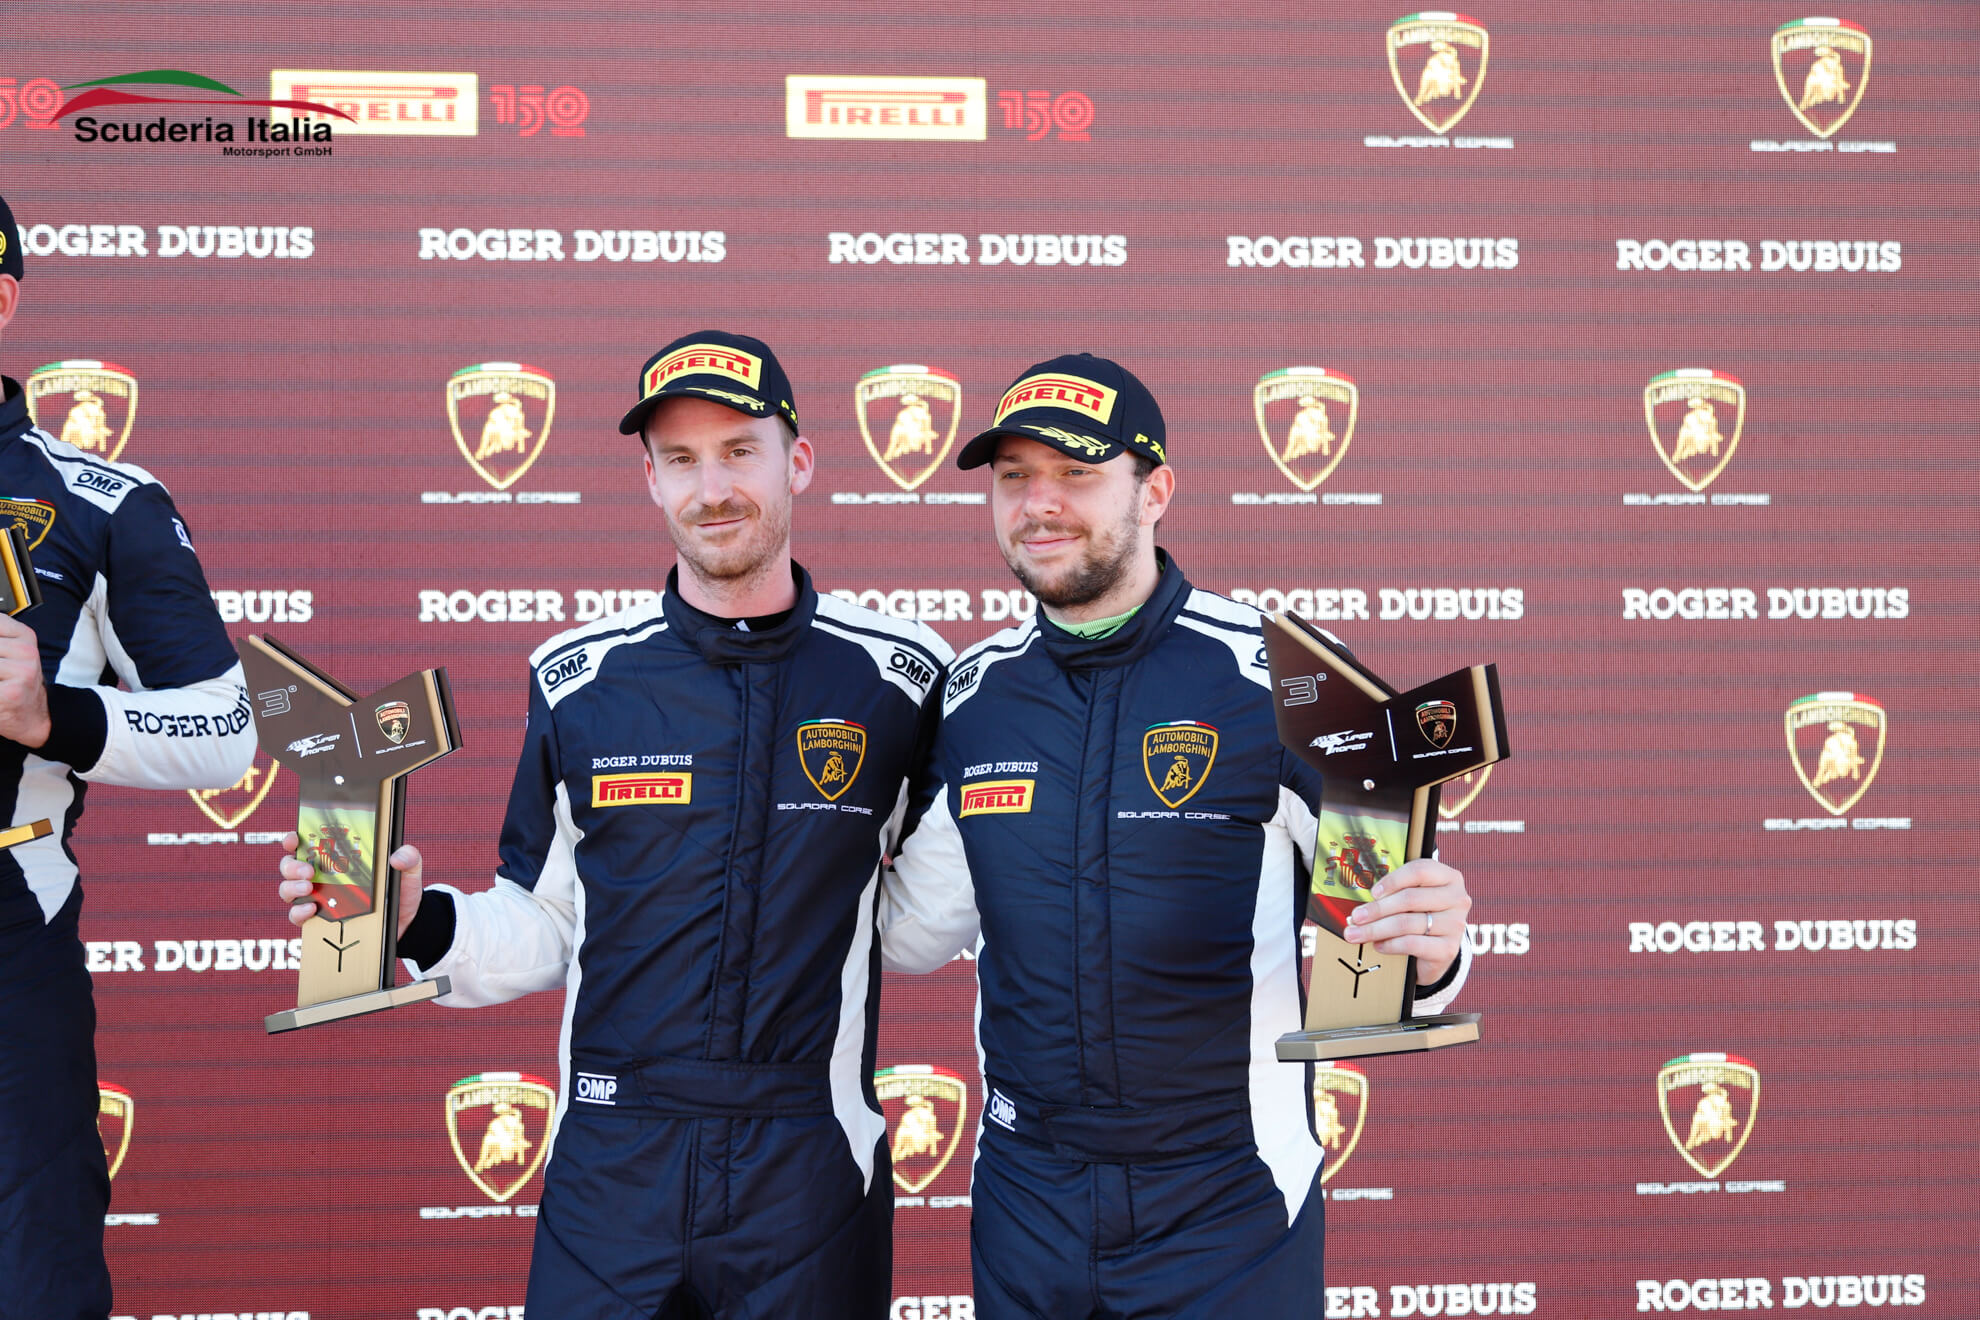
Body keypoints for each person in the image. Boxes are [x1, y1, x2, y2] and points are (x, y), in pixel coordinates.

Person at [276, 331, 951, 1320]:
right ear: (649, 479)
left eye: (739, 451)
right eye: (680, 460)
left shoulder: (902, 674)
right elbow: (546, 920)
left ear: (799, 461)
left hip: (808, 1165)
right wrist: (414, 920)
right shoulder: (579, 678)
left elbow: (928, 915)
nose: (711, 488)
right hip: (610, 1164)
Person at [880, 353, 1475, 1318]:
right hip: (1029, 1196)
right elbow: (916, 932)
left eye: (1076, 473)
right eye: (1015, 476)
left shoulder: (1291, 680)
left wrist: (1434, 949)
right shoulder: (974, 695)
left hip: (1225, 1198)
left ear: (1154, 491)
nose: (1039, 503)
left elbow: (1393, 953)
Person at [0, 193, 257, 1320]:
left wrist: (49, 715)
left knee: (34, 1278)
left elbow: (226, 729)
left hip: (12, 922)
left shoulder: (101, 500)